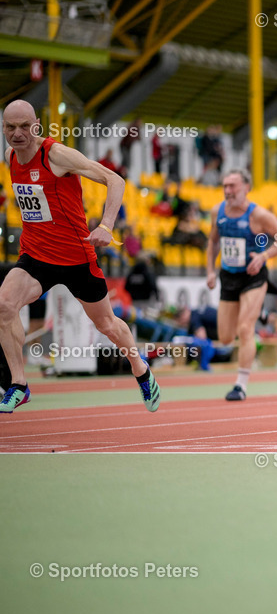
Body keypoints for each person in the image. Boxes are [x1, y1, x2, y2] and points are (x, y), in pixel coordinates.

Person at [0, 99, 160, 413]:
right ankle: (18, 384)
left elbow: (116, 180)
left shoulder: (56, 155)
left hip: (76, 257)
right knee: (4, 305)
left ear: (36, 126)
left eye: (23, 126)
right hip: (36, 257)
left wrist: (106, 225)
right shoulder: (9, 157)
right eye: (9, 127)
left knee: (108, 325)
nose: (17, 134)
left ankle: (139, 367)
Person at [206, 169, 277, 401]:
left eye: (233, 186)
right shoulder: (217, 212)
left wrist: (264, 256)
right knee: (224, 337)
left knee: (245, 329)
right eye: (225, 186)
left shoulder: (259, 215)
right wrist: (211, 271)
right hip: (229, 277)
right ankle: (258, 311)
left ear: (246, 188)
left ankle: (240, 385)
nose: (228, 191)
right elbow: (212, 243)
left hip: (254, 276)